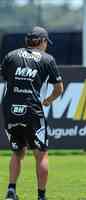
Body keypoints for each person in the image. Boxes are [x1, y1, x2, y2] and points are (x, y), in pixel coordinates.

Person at [0, 26, 63, 200]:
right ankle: (41, 196)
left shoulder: (11, 56)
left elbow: (4, 77)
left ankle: (11, 191)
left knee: (17, 152)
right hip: (33, 111)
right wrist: (49, 100)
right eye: (46, 43)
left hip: (10, 111)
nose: (47, 46)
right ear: (42, 41)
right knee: (41, 153)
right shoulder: (47, 59)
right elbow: (59, 88)